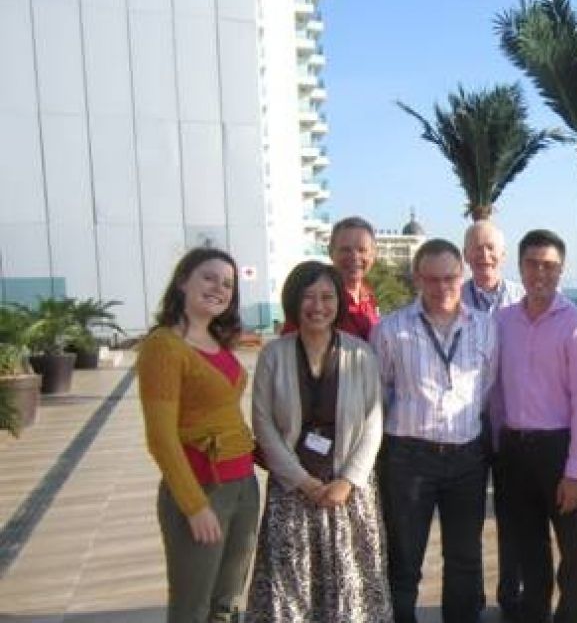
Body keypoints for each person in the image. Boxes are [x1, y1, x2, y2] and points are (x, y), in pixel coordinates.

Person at [246, 261, 391, 621]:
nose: (317, 306)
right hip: (292, 489)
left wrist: (349, 480)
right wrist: (302, 480)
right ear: (293, 301)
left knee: (351, 584)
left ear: (339, 302)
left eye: (327, 297)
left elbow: (374, 422)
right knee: (290, 585)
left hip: (348, 492)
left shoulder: (361, 353)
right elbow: (263, 423)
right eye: (308, 297)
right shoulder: (273, 355)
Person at [371, 238, 498, 623]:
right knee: (404, 558)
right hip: (409, 458)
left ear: (462, 276)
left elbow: (486, 387)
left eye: (450, 278)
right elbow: (379, 393)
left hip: (467, 457)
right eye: (432, 279)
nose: (443, 287)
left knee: (464, 558)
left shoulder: (486, 327)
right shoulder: (390, 329)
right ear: (417, 279)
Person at [137, 247, 260, 622]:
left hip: (243, 484)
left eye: (227, 284)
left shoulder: (216, 342)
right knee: (192, 606)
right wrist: (194, 506)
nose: (219, 288)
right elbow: (161, 438)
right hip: (203, 487)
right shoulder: (164, 346)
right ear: (182, 281)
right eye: (208, 278)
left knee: (227, 602)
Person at [492, 229, 577, 623]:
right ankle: (535, 613)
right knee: (529, 544)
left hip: (558, 448)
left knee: (572, 546)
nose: (540, 273)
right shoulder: (501, 321)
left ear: (561, 270)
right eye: (533, 264)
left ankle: (572, 616)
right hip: (514, 449)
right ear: (520, 267)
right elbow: (495, 390)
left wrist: (574, 471)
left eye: (549, 266)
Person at [461, 220, 525, 619]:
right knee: (466, 518)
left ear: (502, 254)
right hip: (466, 424)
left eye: (491, 248)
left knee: (512, 516)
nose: (484, 254)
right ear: (466, 254)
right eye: (476, 247)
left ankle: (511, 595)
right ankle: (469, 597)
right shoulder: (451, 299)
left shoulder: (522, 298)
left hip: (513, 424)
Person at [281, 216, 380, 340]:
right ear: (330, 252)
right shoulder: (314, 301)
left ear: (373, 254)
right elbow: (289, 346)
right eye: (345, 250)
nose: (355, 257)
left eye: (362, 250)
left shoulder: (368, 297)